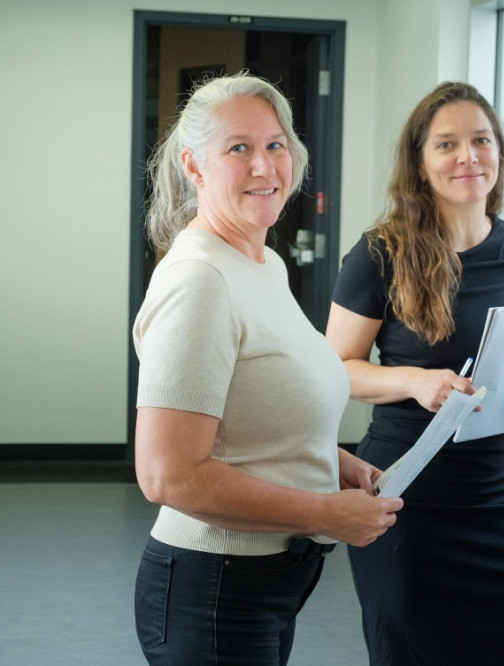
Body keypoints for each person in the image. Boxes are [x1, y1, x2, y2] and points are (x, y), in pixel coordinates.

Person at [132, 72, 403, 666]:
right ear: (194, 167)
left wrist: (336, 465)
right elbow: (166, 475)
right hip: (215, 587)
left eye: (274, 145)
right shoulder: (200, 280)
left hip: (266, 583)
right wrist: (324, 512)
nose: (264, 167)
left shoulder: (263, 265)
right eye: (238, 148)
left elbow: (255, 417)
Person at [325, 81, 504, 665]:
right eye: (447, 144)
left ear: (500, 154)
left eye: (481, 140)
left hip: (499, 495)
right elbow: (332, 371)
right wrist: (413, 379)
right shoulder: (379, 254)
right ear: (420, 162)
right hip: (408, 499)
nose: (468, 157)